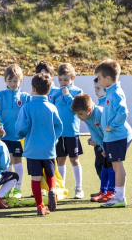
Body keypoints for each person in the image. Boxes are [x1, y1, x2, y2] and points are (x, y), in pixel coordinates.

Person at [16, 73, 63, 216]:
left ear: (33, 88)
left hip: (32, 150)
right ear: (49, 91)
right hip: (48, 149)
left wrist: (20, 135)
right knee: (50, 173)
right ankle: (52, 190)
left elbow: (21, 128)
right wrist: (53, 140)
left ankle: (40, 205)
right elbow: (59, 126)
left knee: (35, 178)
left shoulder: (27, 107)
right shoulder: (52, 107)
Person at [95, 59, 132, 208]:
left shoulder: (116, 93)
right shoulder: (110, 92)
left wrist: (112, 126)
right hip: (111, 137)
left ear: (108, 78)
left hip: (117, 136)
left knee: (117, 166)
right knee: (116, 166)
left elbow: (123, 112)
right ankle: (118, 196)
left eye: (99, 78)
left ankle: (119, 197)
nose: (98, 81)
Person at [71, 93, 115, 204]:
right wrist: (103, 147)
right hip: (106, 142)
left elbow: (107, 132)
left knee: (112, 165)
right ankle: (103, 191)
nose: (78, 117)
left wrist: (107, 148)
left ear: (89, 110)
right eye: (76, 115)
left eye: (80, 114)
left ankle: (112, 192)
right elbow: (95, 135)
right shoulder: (87, 118)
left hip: (117, 139)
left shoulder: (100, 113)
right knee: (102, 164)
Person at [0, 64, 31, 198]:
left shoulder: (26, 97)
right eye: (10, 80)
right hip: (3, 135)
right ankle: (7, 188)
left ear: (21, 80)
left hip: (18, 137)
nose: (12, 83)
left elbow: (28, 115)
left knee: (18, 162)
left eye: (15, 80)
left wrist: (24, 129)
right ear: (5, 80)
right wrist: (0, 126)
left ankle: (18, 188)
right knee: (7, 163)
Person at [50, 63, 84, 198]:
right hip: (58, 133)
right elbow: (51, 109)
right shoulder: (54, 93)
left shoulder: (77, 92)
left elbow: (77, 109)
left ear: (73, 78)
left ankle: (78, 188)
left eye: (66, 79)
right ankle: (61, 187)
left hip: (72, 132)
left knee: (74, 159)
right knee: (60, 160)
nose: (63, 83)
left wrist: (68, 95)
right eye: (60, 80)